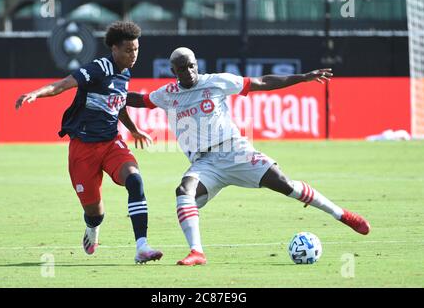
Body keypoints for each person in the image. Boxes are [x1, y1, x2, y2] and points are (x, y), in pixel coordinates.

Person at [125, 47, 371, 266]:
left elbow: (262, 82)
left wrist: (303, 78)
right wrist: (107, 91)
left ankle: (341, 214)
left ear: (196, 64)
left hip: (235, 151)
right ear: (173, 70)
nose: (188, 71)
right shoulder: (167, 94)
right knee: (184, 191)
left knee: (286, 185)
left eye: (191, 65)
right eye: (181, 68)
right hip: (205, 163)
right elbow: (139, 100)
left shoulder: (217, 82)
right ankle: (197, 252)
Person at [15, 21, 163, 264]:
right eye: (128, 50)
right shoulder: (97, 68)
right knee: (95, 213)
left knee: (135, 180)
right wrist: (36, 93)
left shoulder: (125, 73)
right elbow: (61, 85)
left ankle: (142, 246)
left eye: (136, 49)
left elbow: (119, 103)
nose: (133, 55)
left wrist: (134, 130)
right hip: (83, 149)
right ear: (114, 49)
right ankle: (92, 227)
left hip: (111, 143)